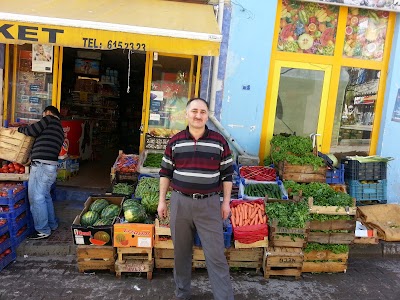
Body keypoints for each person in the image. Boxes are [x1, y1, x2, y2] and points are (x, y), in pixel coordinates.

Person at [158, 97, 235, 300]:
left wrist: (226, 202)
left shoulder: (219, 142)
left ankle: (224, 297)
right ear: (186, 114)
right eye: (194, 111)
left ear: (207, 115)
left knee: (216, 255)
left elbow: (227, 174)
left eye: (202, 112)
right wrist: (161, 201)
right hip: (180, 203)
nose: (198, 115)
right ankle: (182, 294)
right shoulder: (175, 141)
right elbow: (165, 173)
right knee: (181, 254)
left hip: (209, 204)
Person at [16, 106, 64, 239]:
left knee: (36, 198)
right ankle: (52, 224)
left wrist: (18, 129)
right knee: (45, 196)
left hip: (41, 166)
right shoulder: (59, 128)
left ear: (48, 113)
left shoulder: (48, 119)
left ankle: (42, 230)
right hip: (50, 167)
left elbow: (32, 130)